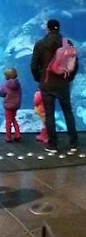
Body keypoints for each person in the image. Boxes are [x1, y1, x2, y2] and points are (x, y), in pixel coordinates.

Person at [30, 19, 79, 153]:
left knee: (49, 114)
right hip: (63, 83)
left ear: (47, 29)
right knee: (68, 113)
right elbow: (75, 64)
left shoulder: (40, 44)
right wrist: (69, 78)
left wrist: (39, 79)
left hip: (46, 84)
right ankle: (73, 143)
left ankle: (53, 145)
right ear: (58, 28)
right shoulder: (67, 43)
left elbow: (34, 65)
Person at [0, 68, 22, 142]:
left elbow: (2, 93)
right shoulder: (18, 84)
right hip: (16, 105)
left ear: (6, 76)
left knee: (8, 121)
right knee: (14, 119)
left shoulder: (5, 85)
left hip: (8, 106)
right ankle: (17, 134)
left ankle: (8, 137)